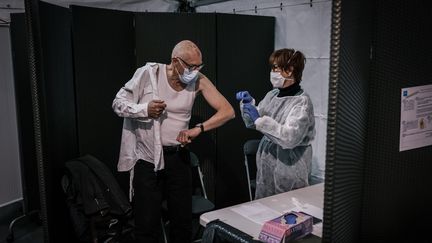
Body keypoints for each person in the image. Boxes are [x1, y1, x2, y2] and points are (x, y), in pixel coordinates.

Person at [112, 40, 235, 243]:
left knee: (182, 222)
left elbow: (228, 111)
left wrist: (199, 128)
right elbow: (118, 103)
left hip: (178, 158)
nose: (195, 71)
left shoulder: (198, 80)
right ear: (175, 61)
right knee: (146, 223)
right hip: (148, 160)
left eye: (199, 66)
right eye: (191, 66)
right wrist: (145, 109)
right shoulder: (149, 74)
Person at [236, 48, 315, 199]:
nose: (272, 72)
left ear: (290, 70)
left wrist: (259, 120)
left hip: (289, 165)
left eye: (275, 68)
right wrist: (249, 106)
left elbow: (289, 138)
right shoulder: (273, 95)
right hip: (268, 161)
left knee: (287, 207)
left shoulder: (302, 102)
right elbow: (254, 122)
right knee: (265, 204)